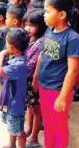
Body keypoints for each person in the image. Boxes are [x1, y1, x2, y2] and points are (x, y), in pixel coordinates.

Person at [33, 0, 79, 148]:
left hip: (58, 90)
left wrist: (63, 96)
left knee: (59, 126)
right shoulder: (50, 31)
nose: (44, 15)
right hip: (44, 85)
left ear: (61, 14)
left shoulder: (72, 38)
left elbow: (73, 71)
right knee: (48, 123)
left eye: (48, 11)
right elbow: (42, 55)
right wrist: (36, 76)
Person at [0, 28, 29, 148]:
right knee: (12, 128)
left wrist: (1, 56)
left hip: (15, 105)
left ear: (11, 47)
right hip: (10, 102)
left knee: (18, 130)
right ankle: (11, 145)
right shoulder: (17, 59)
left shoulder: (18, 65)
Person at [23, 9, 47, 148]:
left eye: (31, 25)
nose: (27, 28)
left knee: (36, 110)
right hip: (27, 79)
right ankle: (29, 129)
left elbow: (34, 63)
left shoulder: (41, 42)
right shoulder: (30, 39)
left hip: (33, 81)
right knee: (30, 107)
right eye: (26, 24)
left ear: (41, 26)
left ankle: (34, 138)